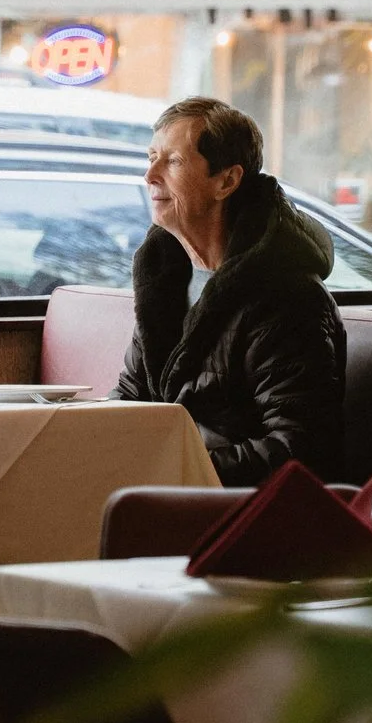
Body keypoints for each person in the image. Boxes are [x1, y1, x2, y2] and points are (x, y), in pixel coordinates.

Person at [111, 97, 345, 484]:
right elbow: (129, 401)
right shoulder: (164, 279)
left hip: (240, 512)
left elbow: (300, 451)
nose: (150, 174)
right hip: (166, 494)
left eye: (172, 161)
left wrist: (171, 472)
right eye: (151, 156)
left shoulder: (287, 297)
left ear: (226, 181)